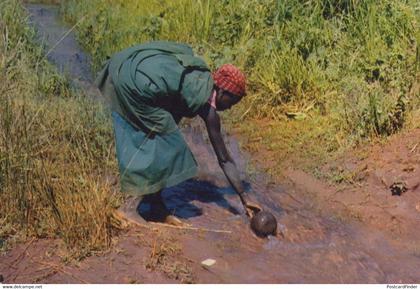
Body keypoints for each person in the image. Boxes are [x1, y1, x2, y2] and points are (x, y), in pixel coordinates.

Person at [95, 41, 261, 226]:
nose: (229, 107)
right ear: (222, 91)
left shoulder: (201, 80)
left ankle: (156, 206)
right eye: (232, 101)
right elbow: (224, 159)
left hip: (127, 67)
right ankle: (129, 208)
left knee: (163, 137)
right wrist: (244, 197)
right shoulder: (206, 103)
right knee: (169, 147)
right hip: (132, 82)